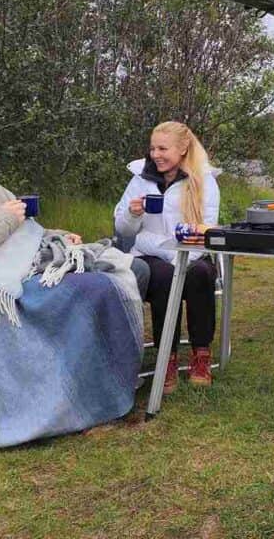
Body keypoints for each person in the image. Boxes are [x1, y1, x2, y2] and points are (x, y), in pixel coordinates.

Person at [0, 117, 150, 320]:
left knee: (129, 267)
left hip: (23, 274)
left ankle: (93, 360)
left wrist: (57, 237)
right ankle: (87, 365)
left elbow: (21, 231)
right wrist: (3, 219)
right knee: (111, 280)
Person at [114, 121, 220, 391]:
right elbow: (123, 230)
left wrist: (181, 257)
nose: (155, 155)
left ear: (183, 148)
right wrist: (132, 215)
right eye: (152, 148)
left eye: (163, 148)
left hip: (193, 253)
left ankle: (201, 354)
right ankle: (166, 358)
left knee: (200, 273)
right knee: (162, 275)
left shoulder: (204, 179)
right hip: (149, 253)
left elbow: (207, 231)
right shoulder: (140, 178)